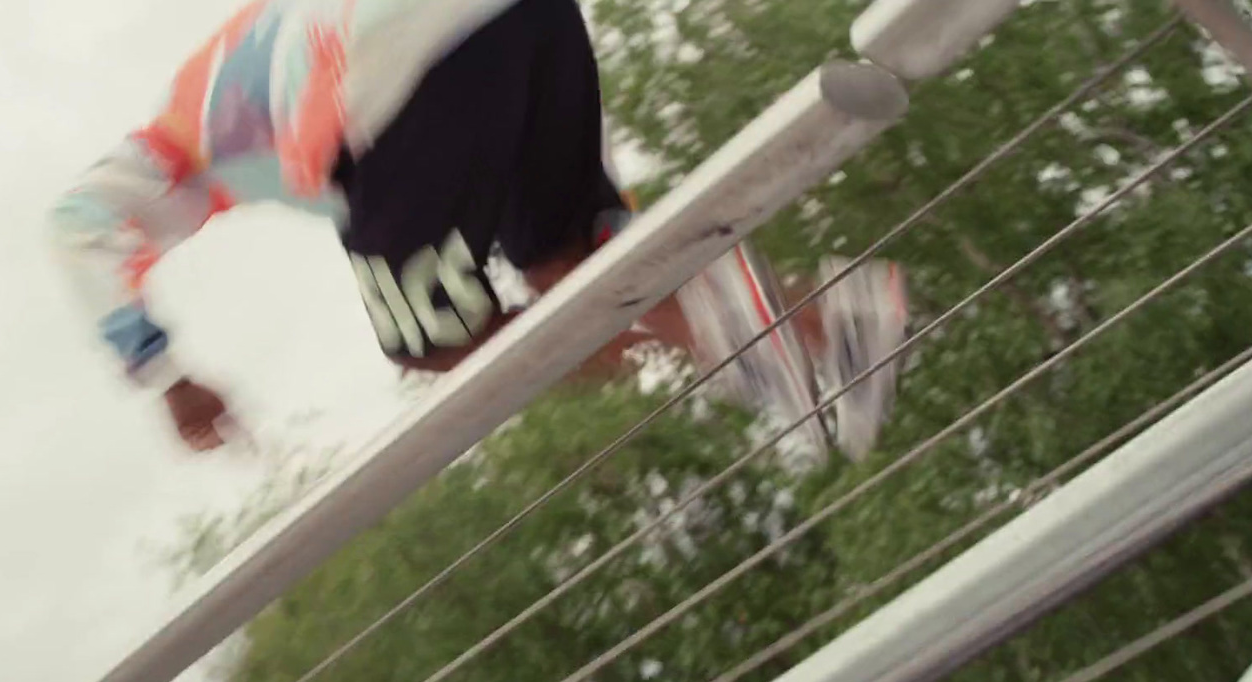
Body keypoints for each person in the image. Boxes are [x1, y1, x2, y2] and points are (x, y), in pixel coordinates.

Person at [48, 0, 907, 455]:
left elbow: (77, 223)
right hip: (523, 16)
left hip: (392, 74)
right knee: (567, 254)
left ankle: (694, 344)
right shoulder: (240, 61)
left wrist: (164, 374)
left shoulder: (173, 141)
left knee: (429, 341)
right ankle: (822, 328)